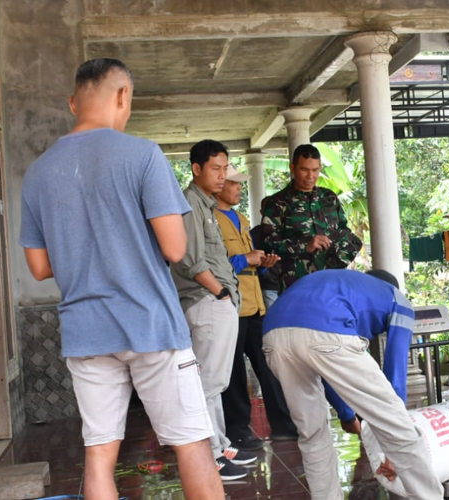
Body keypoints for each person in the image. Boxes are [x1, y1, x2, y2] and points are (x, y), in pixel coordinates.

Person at [19, 58, 225, 500]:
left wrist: (83, 249)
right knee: (191, 444)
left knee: (98, 456)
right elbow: (174, 248)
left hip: (86, 331)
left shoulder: (38, 172)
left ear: (74, 102)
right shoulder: (143, 155)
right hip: (151, 324)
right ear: (123, 95)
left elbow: (39, 267)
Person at [262, 269, 444, 500]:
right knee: (398, 424)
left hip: (273, 335)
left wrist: (347, 416)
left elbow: (326, 369)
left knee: (312, 433)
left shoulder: (340, 287)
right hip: (326, 329)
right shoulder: (398, 299)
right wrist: (392, 440)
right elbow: (396, 372)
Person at [170, 140, 257, 481]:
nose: (223, 176)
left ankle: (220, 445)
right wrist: (220, 293)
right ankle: (207, 456)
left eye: (225, 168)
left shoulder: (205, 205)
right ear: (196, 169)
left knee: (215, 382)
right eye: (216, 169)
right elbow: (191, 260)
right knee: (206, 384)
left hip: (218, 303)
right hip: (207, 302)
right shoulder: (190, 204)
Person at [214, 165, 299, 451]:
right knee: (235, 370)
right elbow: (206, 265)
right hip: (230, 306)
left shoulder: (240, 218)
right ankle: (238, 430)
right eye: (234, 183)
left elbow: (249, 264)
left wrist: (263, 265)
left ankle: (284, 425)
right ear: (219, 183)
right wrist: (245, 260)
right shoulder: (208, 219)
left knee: (270, 363)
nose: (239, 188)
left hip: (255, 303)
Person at [260, 144, 362, 292]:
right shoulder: (277, 203)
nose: (310, 176)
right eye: (304, 170)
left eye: (315, 170)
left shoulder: (329, 197)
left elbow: (343, 231)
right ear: (292, 168)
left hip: (331, 282)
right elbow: (268, 244)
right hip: (296, 285)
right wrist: (305, 246)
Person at [250, 196, 280, 309]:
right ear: (262, 212)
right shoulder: (255, 233)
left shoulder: (289, 230)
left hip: (289, 284)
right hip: (268, 285)